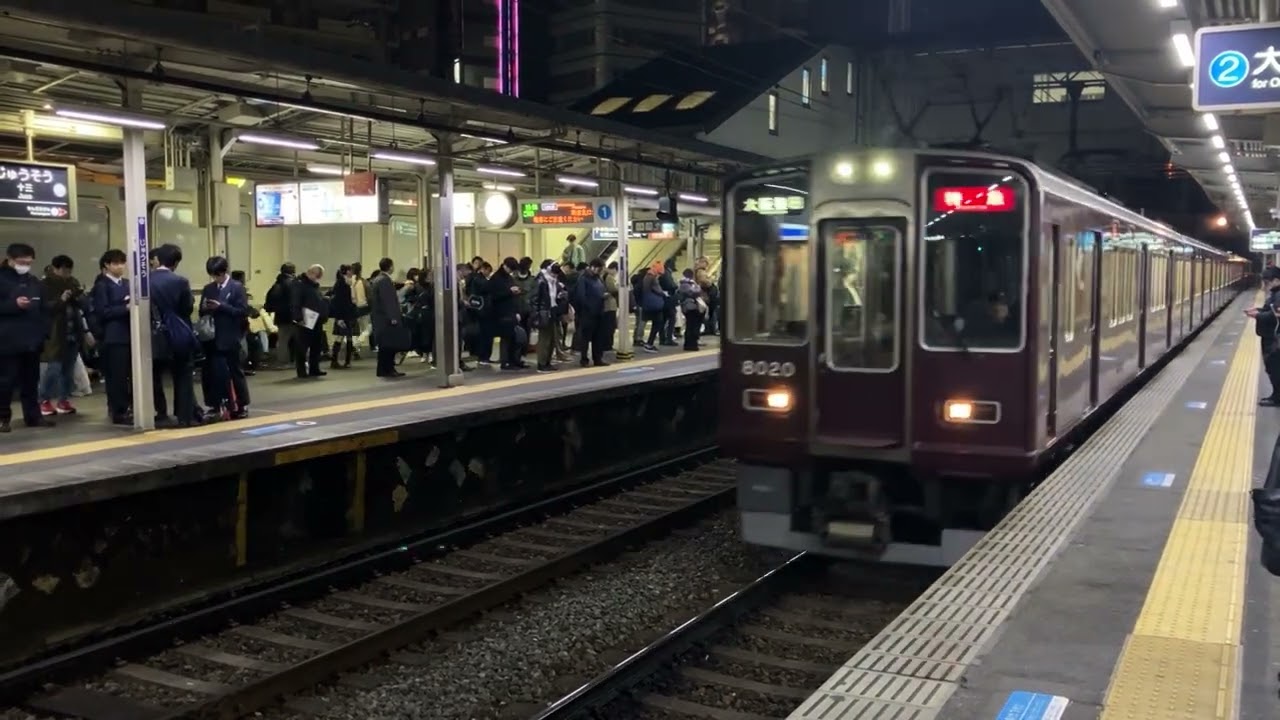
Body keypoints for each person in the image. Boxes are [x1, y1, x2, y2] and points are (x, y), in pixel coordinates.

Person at [0, 243, 53, 432]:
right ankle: (3, 417)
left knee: (31, 382)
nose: (25, 265)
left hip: (32, 341)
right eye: (22, 262)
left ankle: (33, 416)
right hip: (7, 341)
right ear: (10, 259)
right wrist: (13, 305)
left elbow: (44, 308)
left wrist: (44, 332)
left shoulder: (34, 282)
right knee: (5, 381)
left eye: (29, 262)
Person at [150, 243, 200, 427]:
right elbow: (186, 308)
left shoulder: (145, 281)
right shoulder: (180, 281)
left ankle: (158, 412)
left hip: (153, 336)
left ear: (157, 259)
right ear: (176, 262)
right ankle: (184, 415)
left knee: (153, 376)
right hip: (178, 335)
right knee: (183, 375)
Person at [199, 256, 251, 419]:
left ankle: (241, 404)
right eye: (213, 275)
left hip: (231, 335)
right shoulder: (208, 288)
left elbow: (242, 311)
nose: (216, 278)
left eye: (218, 275)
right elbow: (202, 311)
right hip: (213, 336)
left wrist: (222, 307)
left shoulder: (237, 288)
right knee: (214, 372)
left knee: (235, 371)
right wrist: (206, 308)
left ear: (225, 271)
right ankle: (216, 404)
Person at [38, 255, 88, 416]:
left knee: (68, 370)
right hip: (55, 334)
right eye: (64, 270)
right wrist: (61, 300)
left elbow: (82, 304)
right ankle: (43, 399)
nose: (67, 273)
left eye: (69, 270)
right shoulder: (45, 285)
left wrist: (79, 295)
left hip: (73, 332)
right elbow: (45, 308)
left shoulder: (73, 282)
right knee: (54, 368)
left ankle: (63, 399)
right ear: (55, 268)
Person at [91, 249, 132, 425]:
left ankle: (127, 406)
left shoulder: (128, 283)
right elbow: (103, 312)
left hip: (129, 334)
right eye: (115, 263)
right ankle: (118, 410)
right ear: (106, 265)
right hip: (113, 336)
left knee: (127, 374)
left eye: (122, 263)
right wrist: (125, 308)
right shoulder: (102, 286)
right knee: (116, 375)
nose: (120, 266)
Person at [1247, 266, 1280, 406]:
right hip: (1271, 337)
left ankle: (1277, 398)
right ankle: (1275, 395)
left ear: (1277, 280)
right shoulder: (1275, 293)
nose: (1265, 286)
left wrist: (1258, 315)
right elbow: (1272, 311)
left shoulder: (1278, 295)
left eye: (1267, 282)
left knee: (1274, 368)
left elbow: (1275, 315)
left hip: (1274, 338)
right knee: (1272, 368)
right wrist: (1259, 311)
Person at [487, 257, 526, 370]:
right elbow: (494, 296)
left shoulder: (508, 277)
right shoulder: (496, 278)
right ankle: (506, 361)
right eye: (510, 268)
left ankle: (514, 360)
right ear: (504, 265)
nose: (511, 271)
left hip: (510, 311)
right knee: (506, 337)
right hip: (501, 312)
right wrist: (509, 291)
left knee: (514, 337)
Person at [371, 257, 407, 378]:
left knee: (384, 346)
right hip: (386, 319)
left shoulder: (378, 279)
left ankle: (382, 370)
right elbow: (388, 301)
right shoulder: (384, 281)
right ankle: (388, 369)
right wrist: (393, 317)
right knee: (389, 345)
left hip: (380, 318)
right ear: (390, 266)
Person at [292, 264, 328, 379]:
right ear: (312, 273)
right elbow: (295, 302)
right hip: (305, 318)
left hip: (316, 319)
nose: (318, 278)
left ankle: (314, 368)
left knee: (316, 345)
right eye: (318, 276)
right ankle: (301, 371)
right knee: (302, 346)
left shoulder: (313, 285)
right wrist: (298, 318)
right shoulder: (300, 284)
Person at [532, 261, 568, 373]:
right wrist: (536, 314)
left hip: (553, 310)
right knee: (544, 339)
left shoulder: (553, 281)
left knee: (552, 338)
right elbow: (534, 299)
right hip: (544, 312)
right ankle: (542, 364)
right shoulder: (541, 280)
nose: (556, 275)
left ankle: (547, 362)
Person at [572, 258, 609, 367]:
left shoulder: (598, 279)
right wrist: (588, 308)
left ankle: (598, 358)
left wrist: (602, 297)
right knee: (585, 338)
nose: (600, 271)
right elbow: (581, 296)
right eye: (599, 268)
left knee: (598, 337)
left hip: (599, 312)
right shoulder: (583, 279)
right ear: (593, 267)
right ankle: (584, 359)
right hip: (587, 314)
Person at [264, 262, 297, 368]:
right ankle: (288, 361)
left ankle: (284, 361)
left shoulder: (278, 283)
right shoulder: (291, 283)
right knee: (291, 339)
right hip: (291, 315)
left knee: (283, 339)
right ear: (292, 271)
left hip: (280, 316)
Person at [329, 264, 358, 370]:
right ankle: (336, 360)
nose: (352, 272)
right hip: (343, 314)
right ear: (347, 271)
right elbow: (339, 302)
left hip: (348, 313)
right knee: (341, 336)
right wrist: (339, 318)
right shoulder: (342, 284)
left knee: (347, 337)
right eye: (351, 270)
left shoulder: (347, 282)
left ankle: (346, 360)